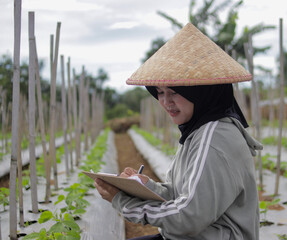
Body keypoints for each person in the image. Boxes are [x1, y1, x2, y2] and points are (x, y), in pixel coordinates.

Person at [94, 23, 262, 240]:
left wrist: (123, 202)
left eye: (174, 92)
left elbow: (188, 217)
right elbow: (183, 197)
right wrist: (146, 186)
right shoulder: (199, 131)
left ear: (200, 92)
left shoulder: (214, 137)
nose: (165, 102)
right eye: (160, 92)